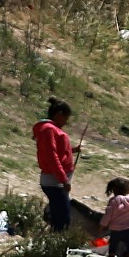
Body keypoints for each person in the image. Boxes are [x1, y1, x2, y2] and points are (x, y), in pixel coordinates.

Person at [32, 96, 80, 232]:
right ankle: (57, 246)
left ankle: (53, 241)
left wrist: (73, 151)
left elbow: (58, 152)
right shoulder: (49, 130)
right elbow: (51, 156)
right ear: (59, 114)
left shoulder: (51, 129)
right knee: (63, 218)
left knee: (58, 215)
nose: (66, 122)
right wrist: (63, 179)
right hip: (55, 182)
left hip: (56, 181)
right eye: (66, 118)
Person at [100, 177, 129, 257]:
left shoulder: (113, 201)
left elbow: (107, 215)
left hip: (115, 230)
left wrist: (102, 226)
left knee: (112, 249)